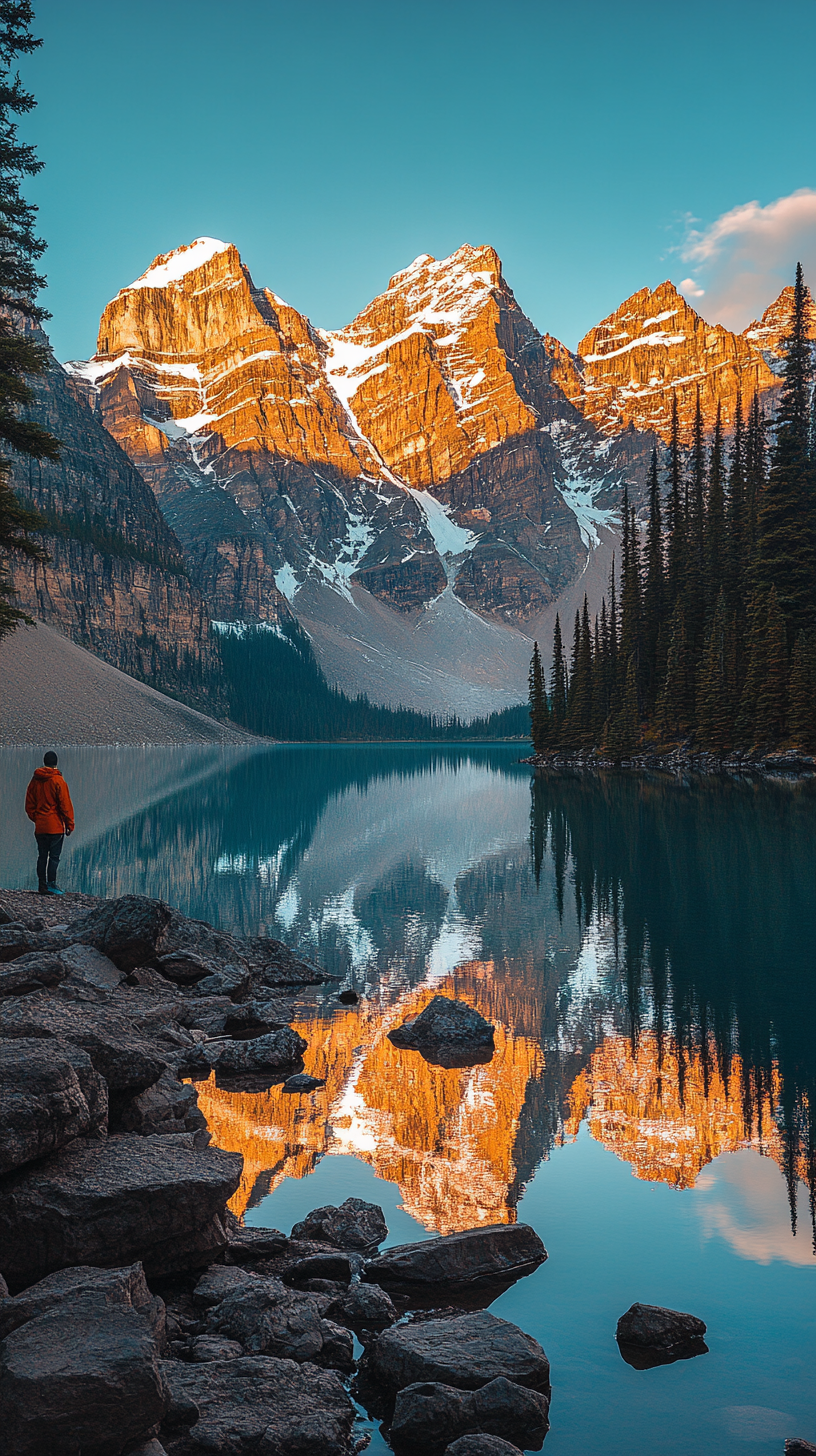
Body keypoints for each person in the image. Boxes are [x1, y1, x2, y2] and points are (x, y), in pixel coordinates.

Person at [25, 751, 75, 895]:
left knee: (42, 856)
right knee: (54, 857)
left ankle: (42, 886)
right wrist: (69, 824)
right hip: (55, 827)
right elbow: (65, 805)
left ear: (44, 762)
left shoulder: (35, 780)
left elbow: (29, 805)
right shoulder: (58, 781)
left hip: (40, 826)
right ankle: (51, 885)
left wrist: (38, 819)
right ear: (56, 763)